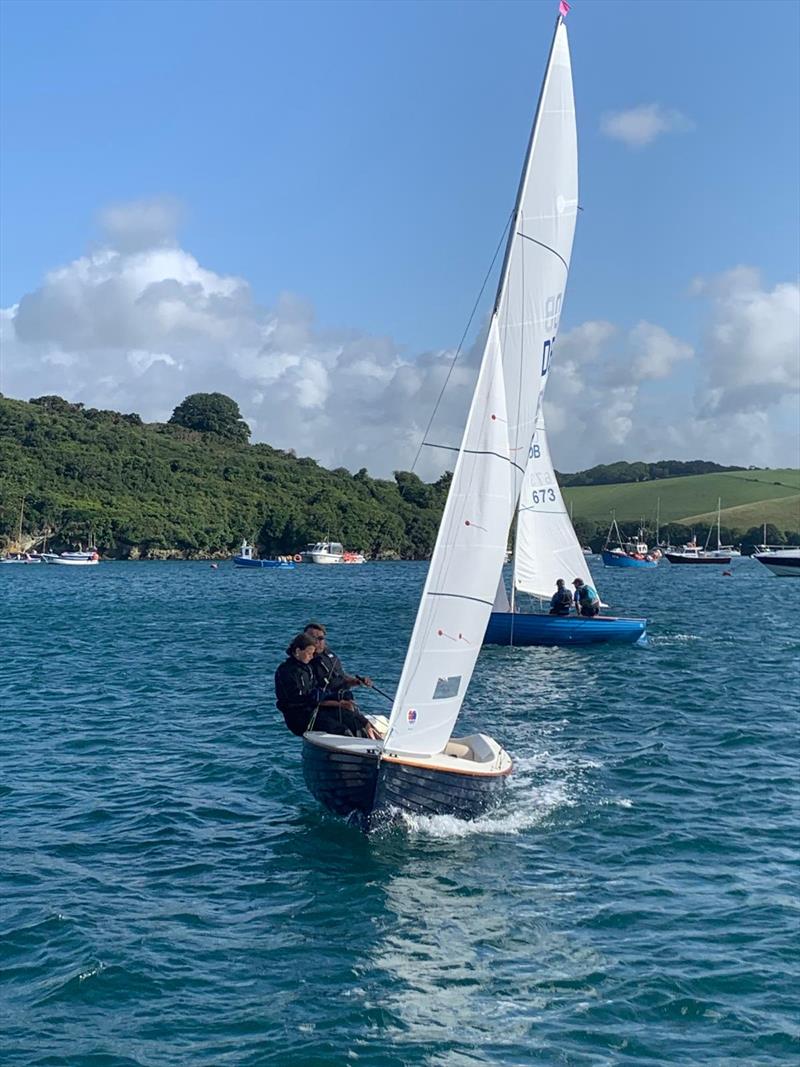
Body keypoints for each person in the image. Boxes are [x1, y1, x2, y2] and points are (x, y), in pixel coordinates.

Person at [274, 634, 379, 739]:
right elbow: (301, 698)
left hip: (315, 710)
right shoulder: (286, 671)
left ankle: (369, 743)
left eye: (312, 654)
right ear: (298, 651)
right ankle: (348, 748)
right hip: (299, 716)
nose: (311, 657)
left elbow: (317, 689)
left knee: (350, 718)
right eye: (309, 653)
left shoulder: (307, 668)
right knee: (341, 729)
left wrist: (338, 695)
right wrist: (333, 701)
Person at [303, 621, 373, 698]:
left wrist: (358, 681)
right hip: (322, 700)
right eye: (312, 638)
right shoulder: (305, 659)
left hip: (341, 696)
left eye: (320, 638)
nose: (316, 642)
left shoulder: (329, 655)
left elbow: (342, 677)